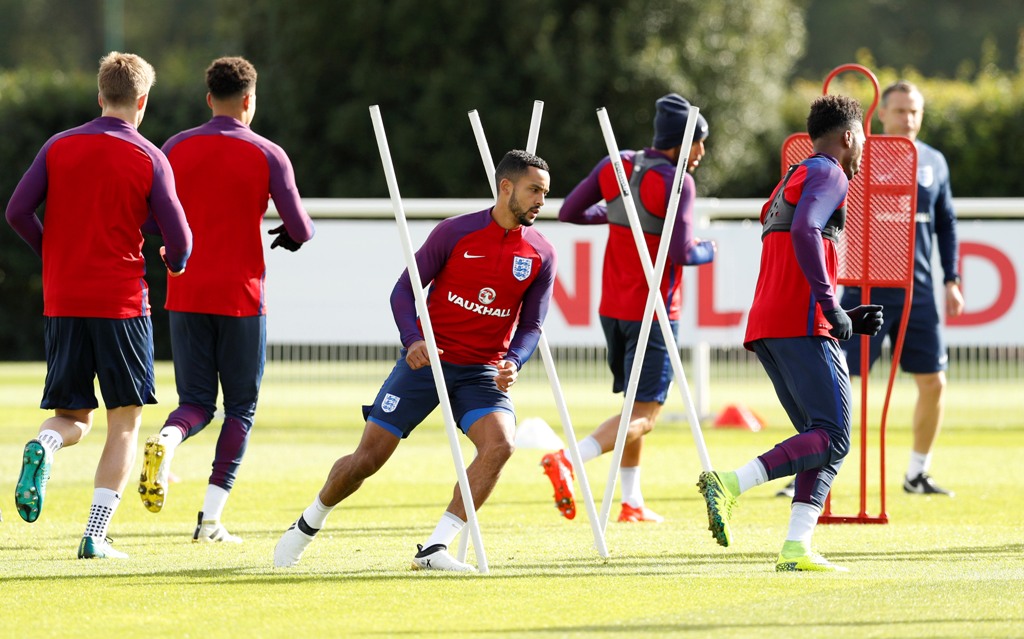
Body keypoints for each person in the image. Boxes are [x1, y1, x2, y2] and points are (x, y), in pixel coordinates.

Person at [273, 150, 556, 571]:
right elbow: (403, 291)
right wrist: (413, 341)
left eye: (545, 193)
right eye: (534, 190)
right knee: (366, 461)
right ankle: (306, 524)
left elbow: (532, 325)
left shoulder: (541, 253)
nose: (541, 201)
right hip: (428, 362)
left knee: (501, 445)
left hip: (482, 372)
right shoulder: (454, 232)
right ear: (506, 187)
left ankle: (434, 549)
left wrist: (515, 360)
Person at [5, 52, 192, 559]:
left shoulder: (58, 146)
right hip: (120, 302)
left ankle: (43, 447)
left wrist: (53, 254)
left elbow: (17, 211)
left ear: (99, 95)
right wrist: (174, 262)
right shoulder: (150, 157)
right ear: (143, 101)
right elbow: (180, 240)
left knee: (73, 417)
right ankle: (95, 533)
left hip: (63, 298)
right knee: (124, 421)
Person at [697, 94, 883, 572]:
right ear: (848, 137)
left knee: (817, 437)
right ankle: (731, 483)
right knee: (835, 437)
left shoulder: (793, 177)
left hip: (772, 323)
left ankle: (797, 547)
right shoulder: (830, 172)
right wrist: (826, 304)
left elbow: (793, 242)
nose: (865, 146)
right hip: (801, 321)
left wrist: (842, 311)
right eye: (863, 137)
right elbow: (805, 231)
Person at [136, 56, 315, 543]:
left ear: (209, 98)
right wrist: (294, 235)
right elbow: (300, 227)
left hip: (186, 291)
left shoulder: (174, 147)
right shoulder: (268, 153)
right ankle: (210, 520)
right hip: (241, 297)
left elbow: (151, 218)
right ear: (250, 100)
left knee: (194, 402)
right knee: (240, 408)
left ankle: (168, 440)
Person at [540, 94, 716, 523]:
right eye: (700, 142)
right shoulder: (679, 182)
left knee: (633, 407)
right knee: (647, 415)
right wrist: (709, 250)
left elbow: (569, 211)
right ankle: (569, 459)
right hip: (655, 311)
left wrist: (620, 213)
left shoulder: (617, 164)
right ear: (682, 141)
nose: (702, 153)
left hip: (612, 309)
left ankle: (632, 502)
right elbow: (680, 251)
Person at [840, 80, 963, 497]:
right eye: (900, 111)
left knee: (935, 382)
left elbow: (946, 223)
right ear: (882, 113)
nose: (908, 119)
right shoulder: (859, 154)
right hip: (864, 288)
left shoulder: (935, 161)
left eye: (915, 111)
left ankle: (916, 473)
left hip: (920, 292)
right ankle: (815, 469)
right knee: (835, 380)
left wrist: (952, 278)